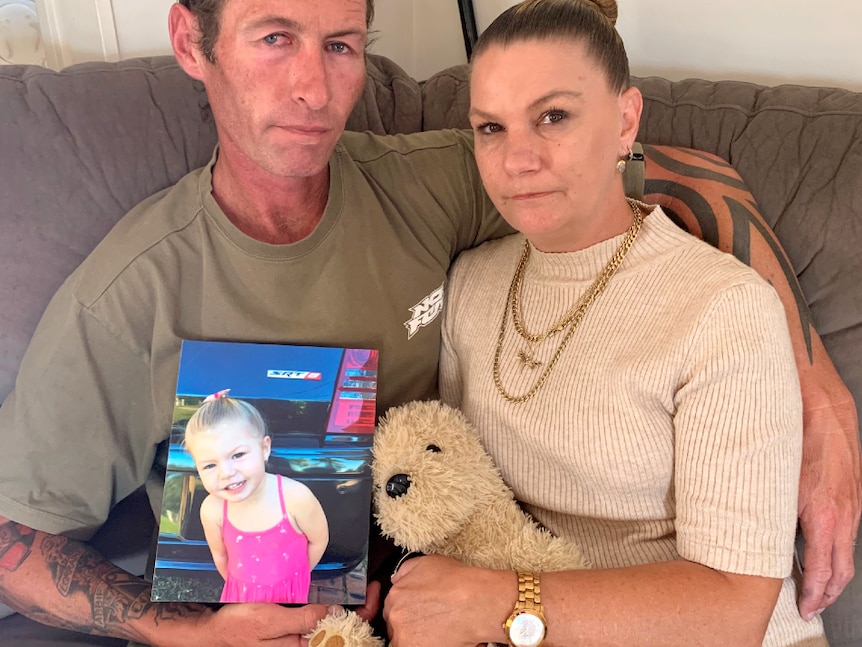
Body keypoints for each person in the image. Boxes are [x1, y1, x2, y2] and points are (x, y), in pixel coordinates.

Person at [0, 0, 857, 645]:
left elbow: (686, 174)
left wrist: (814, 383)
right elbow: (11, 534)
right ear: (193, 42)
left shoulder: (440, 184)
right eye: (274, 37)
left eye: (340, 45)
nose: (311, 87)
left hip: (458, 596)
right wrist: (172, 628)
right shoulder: (125, 296)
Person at [384, 1, 841, 646]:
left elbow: (735, 610)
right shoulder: (470, 283)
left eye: (554, 117)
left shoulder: (724, 309)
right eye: (491, 127)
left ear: (626, 121)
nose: (518, 159)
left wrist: (497, 601)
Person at [182, 393, 329, 604]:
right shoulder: (212, 510)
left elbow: (319, 540)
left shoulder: (296, 498)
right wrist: (245, 589)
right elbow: (221, 556)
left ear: (264, 448)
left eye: (238, 455)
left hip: (290, 591)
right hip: (240, 595)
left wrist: (296, 576)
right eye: (210, 465)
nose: (226, 473)